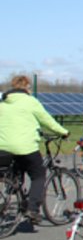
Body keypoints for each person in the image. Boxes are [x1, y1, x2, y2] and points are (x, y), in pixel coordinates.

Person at [0, 75, 70, 226]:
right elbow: (47, 120)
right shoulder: (31, 102)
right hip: (25, 148)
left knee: (12, 167)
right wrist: (64, 132)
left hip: (3, 148)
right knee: (38, 175)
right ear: (27, 87)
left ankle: (12, 187)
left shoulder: (3, 103)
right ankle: (32, 210)